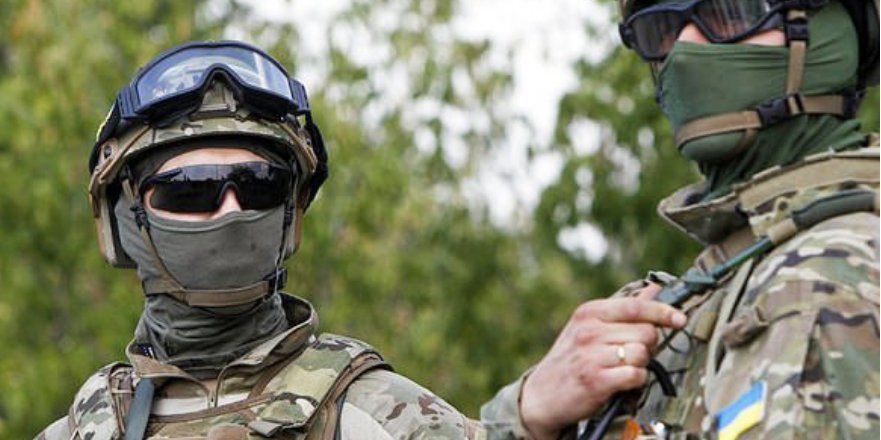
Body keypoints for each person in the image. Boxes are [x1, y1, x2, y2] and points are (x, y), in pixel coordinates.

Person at [36, 41, 687, 440]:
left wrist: (525, 416)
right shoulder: (82, 428)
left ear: (292, 213)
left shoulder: (377, 413)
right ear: (125, 222)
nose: (231, 209)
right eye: (190, 190)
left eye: (260, 185)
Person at [483, 0, 880, 438]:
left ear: (832, 34)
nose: (684, 49)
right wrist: (527, 413)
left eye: (730, 12)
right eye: (663, 28)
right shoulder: (709, 296)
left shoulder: (829, 273)